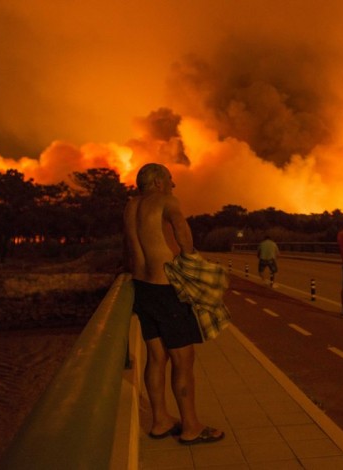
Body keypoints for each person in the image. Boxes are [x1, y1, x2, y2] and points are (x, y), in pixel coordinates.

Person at [123, 163, 224, 445]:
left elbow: (127, 246)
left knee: (156, 357)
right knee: (183, 360)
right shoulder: (166, 201)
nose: (173, 184)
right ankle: (191, 427)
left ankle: (160, 421)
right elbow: (180, 224)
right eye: (169, 179)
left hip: (142, 287)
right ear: (157, 182)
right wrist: (189, 257)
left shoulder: (130, 206)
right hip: (166, 289)